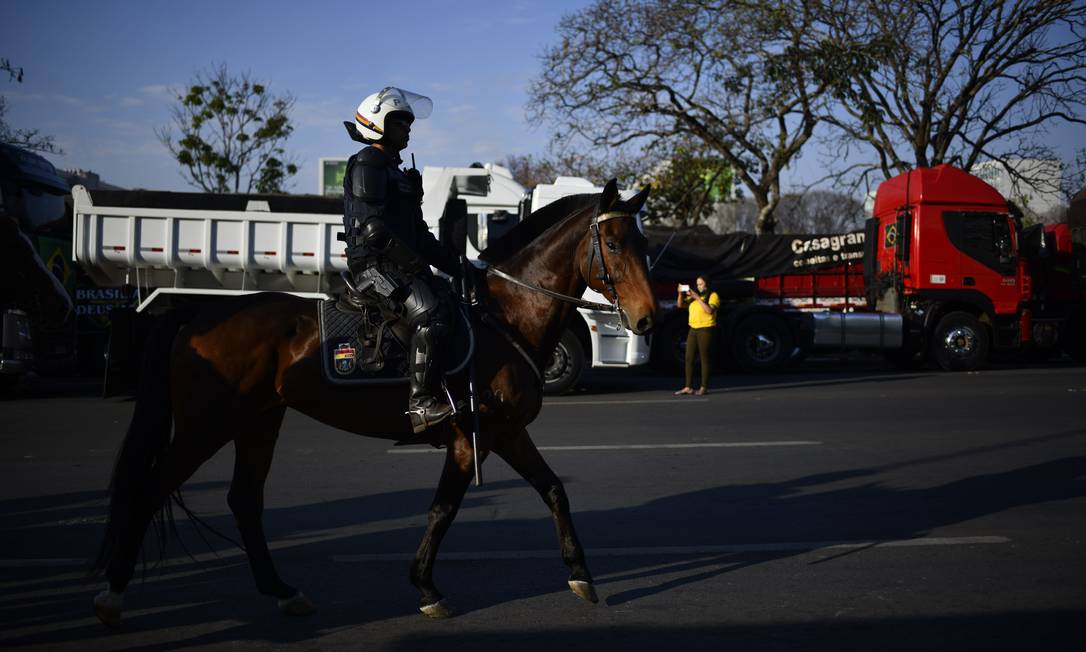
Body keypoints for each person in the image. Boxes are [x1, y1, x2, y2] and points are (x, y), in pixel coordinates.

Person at [340, 86, 463, 434]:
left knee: (451, 299)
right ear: (378, 124)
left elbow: (420, 236)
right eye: (399, 123)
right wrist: (415, 266)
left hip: (397, 263)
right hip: (373, 266)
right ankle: (421, 403)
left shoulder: (396, 171)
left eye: (408, 122)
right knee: (431, 310)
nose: (408, 128)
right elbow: (374, 232)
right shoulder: (369, 161)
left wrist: (463, 267)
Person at [674, 276, 720, 396]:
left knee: (704, 358)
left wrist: (697, 298)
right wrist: (680, 294)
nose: (699, 286)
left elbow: (709, 310)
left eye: (701, 284)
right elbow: (680, 305)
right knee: (689, 358)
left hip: (706, 328)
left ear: (707, 284)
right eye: (697, 284)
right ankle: (688, 386)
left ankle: (704, 387)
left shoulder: (713, 295)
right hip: (693, 329)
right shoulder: (693, 297)